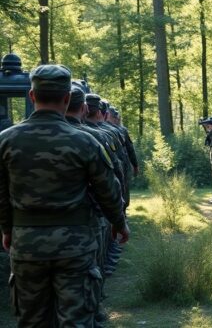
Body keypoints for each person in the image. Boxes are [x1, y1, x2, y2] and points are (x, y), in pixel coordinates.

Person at [0, 64, 129, 327]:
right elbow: (108, 189)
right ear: (67, 98)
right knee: (76, 320)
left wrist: (7, 229)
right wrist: (118, 222)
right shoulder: (85, 141)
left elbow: (1, 194)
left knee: (32, 320)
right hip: (76, 246)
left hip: (26, 245)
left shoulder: (6, 140)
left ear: (31, 96)